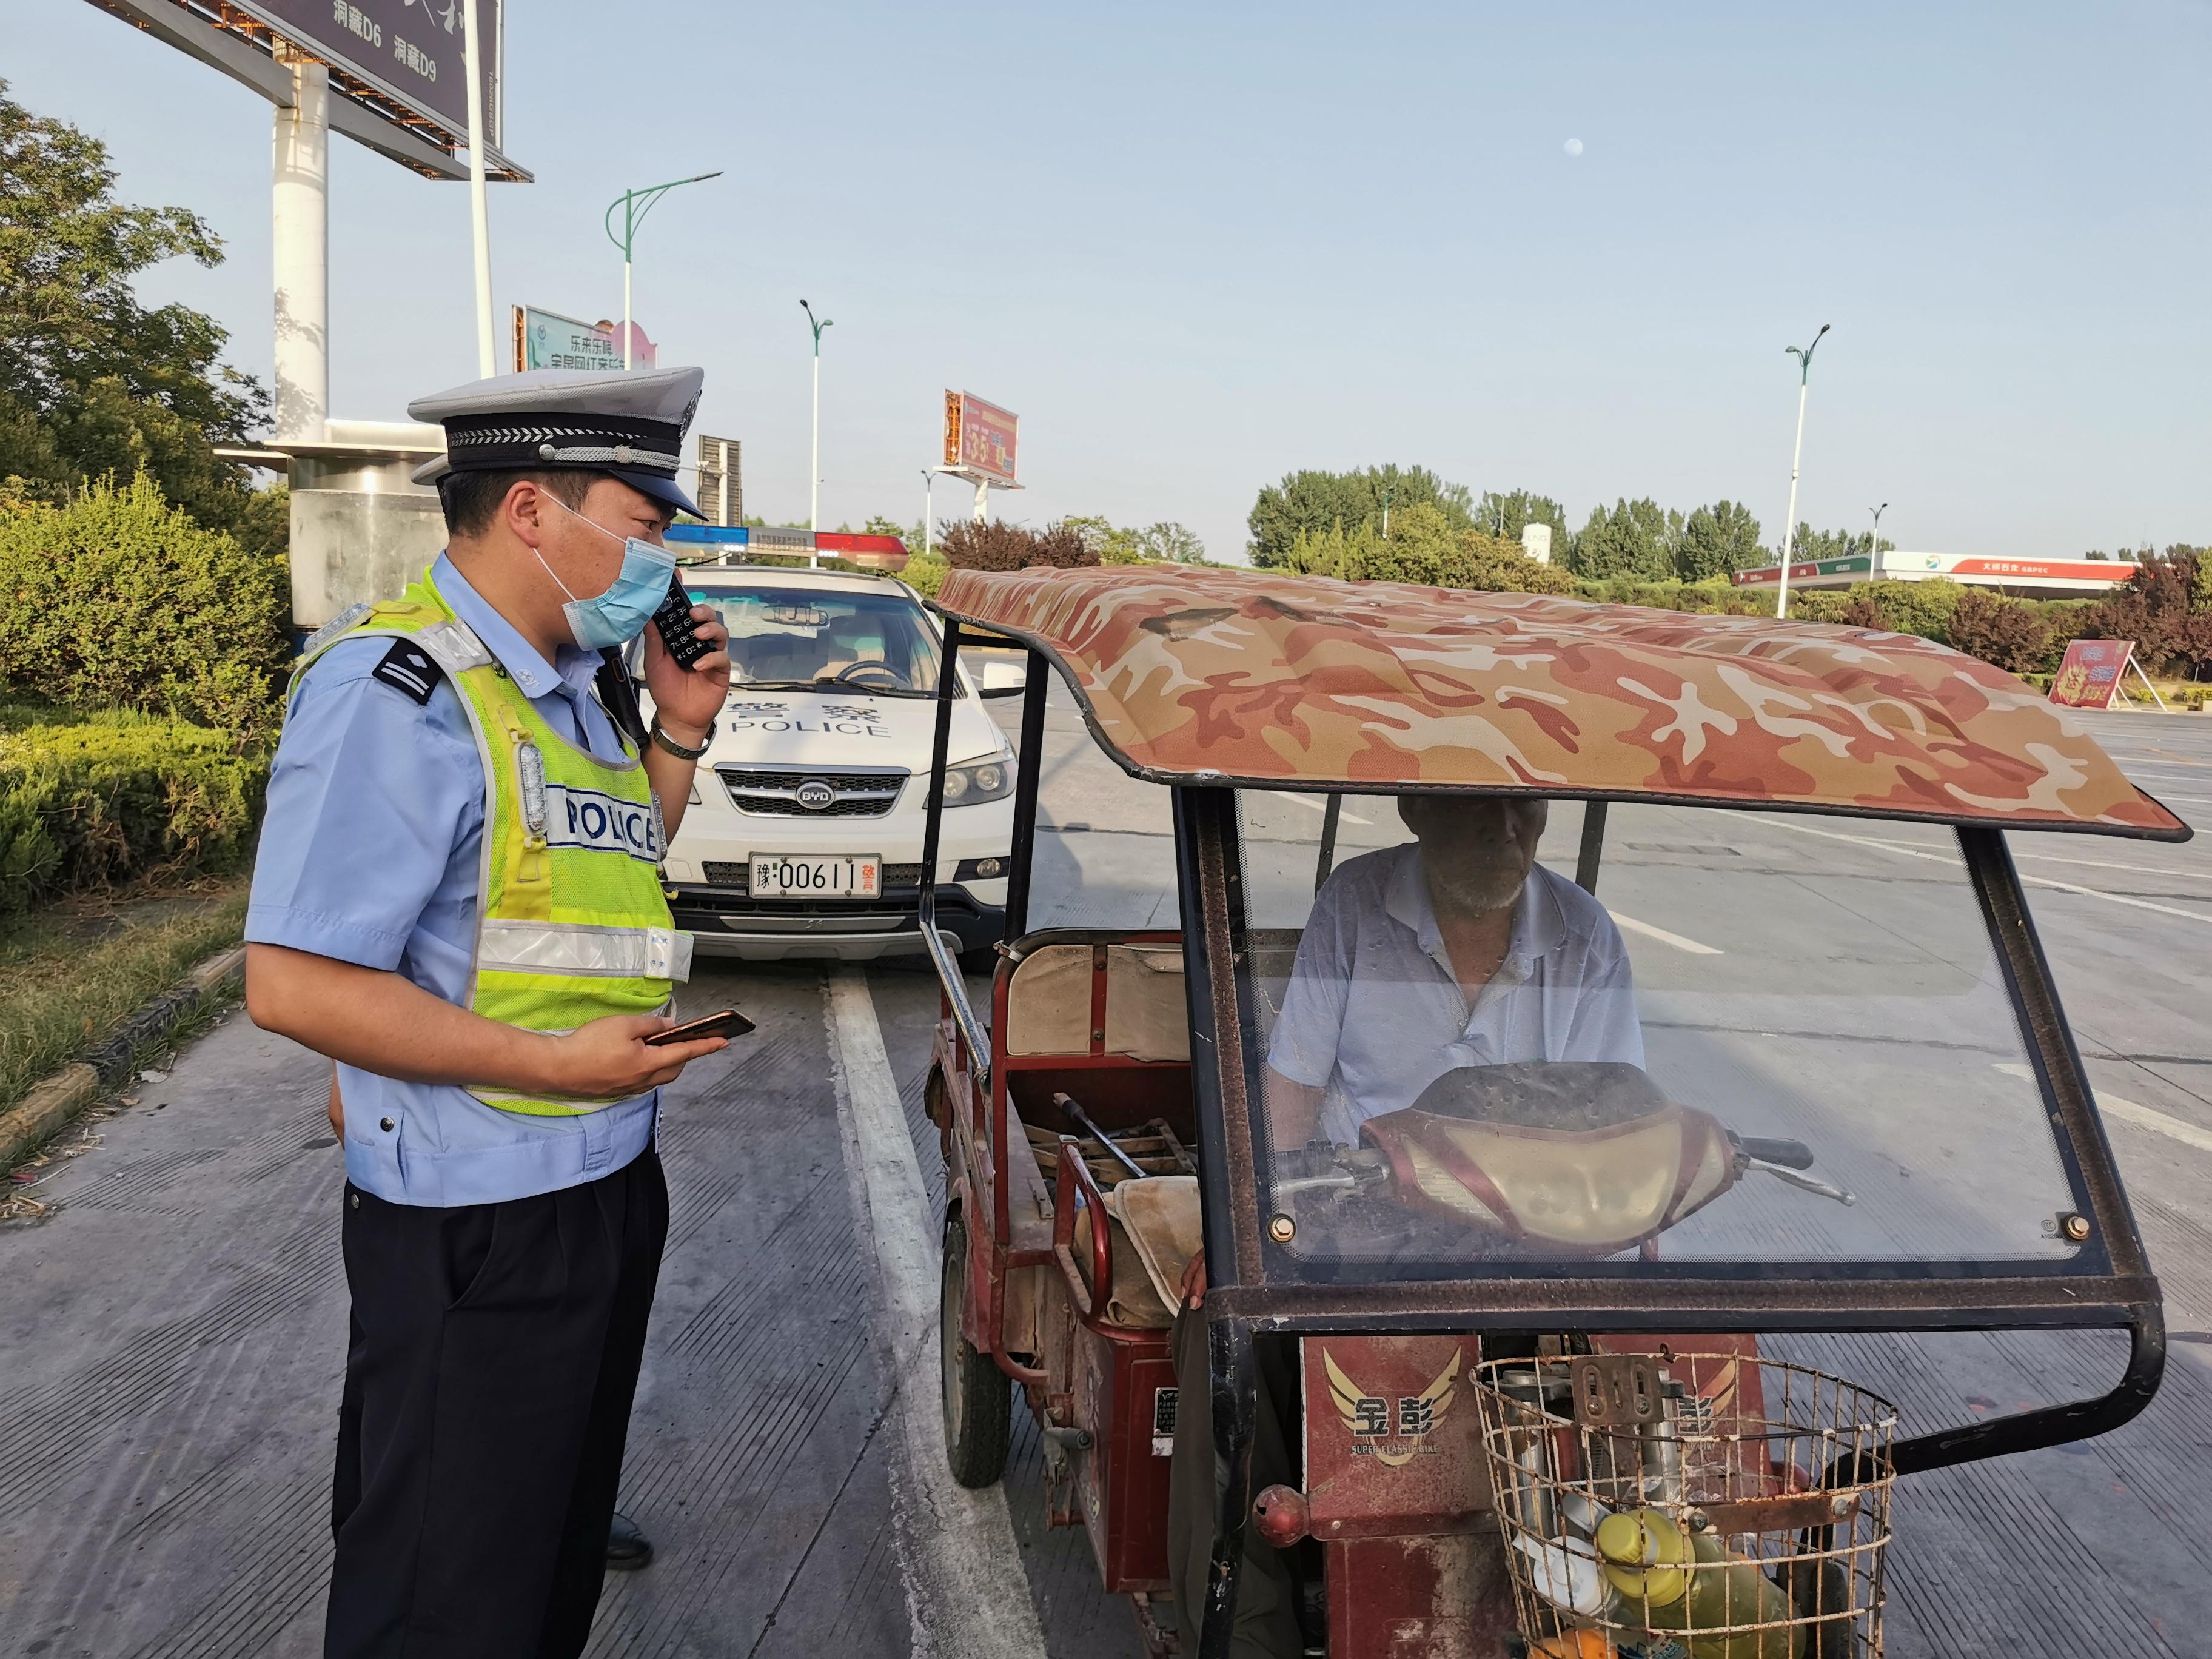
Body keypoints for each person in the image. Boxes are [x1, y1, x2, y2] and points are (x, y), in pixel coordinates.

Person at [244, 366, 734, 1658]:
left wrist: (678, 732)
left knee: (537, 1571)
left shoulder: (573, 686)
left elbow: (608, 869)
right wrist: (551, 1064)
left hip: (600, 1186)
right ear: (532, 509)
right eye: (645, 526)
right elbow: (291, 982)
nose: (664, 562)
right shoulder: (398, 690)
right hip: (478, 1220)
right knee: (446, 1599)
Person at [1166, 793, 1643, 1659]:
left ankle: (1579, 1614)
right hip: (1363, 1218)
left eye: (1524, 812)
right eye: (1477, 811)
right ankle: (1245, 1634)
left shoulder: (1584, 934)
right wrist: (1237, 1222)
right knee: (1220, 1331)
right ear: (1419, 807)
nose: (1504, 833)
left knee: (1640, 1366)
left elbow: (1617, 1115)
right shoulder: (1357, 903)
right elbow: (1293, 1091)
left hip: (1523, 1234)